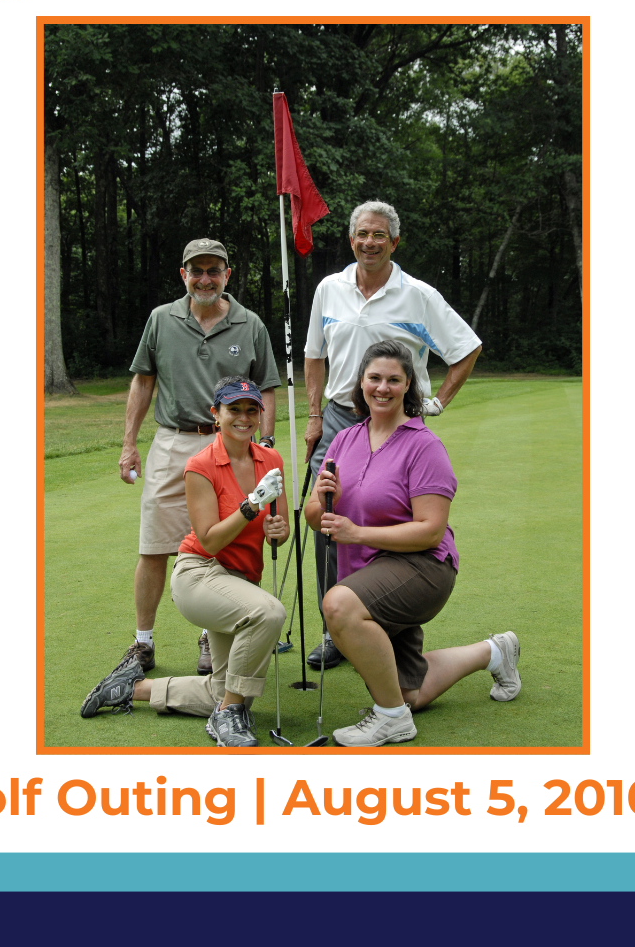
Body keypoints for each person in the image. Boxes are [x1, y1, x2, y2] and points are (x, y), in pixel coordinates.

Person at [303, 339, 521, 746]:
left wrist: (358, 533)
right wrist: (320, 496)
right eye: (374, 378)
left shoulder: (424, 446)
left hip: (422, 567)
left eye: (393, 380)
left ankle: (391, 720)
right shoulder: (346, 439)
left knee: (337, 604)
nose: (382, 388)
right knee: (408, 692)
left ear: (408, 386)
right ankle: (494, 652)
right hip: (369, 573)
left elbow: (430, 530)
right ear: (361, 383)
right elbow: (318, 519)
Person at [303, 201, 483, 669]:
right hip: (340, 419)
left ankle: (382, 617)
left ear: (394, 242)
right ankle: (336, 628)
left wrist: (435, 400)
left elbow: (466, 347)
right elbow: (314, 355)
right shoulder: (329, 288)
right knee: (324, 519)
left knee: (391, 515)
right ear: (351, 239)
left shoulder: (418, 294)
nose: (370, 242)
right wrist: (313, 414)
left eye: (380, 235)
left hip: (398, 420)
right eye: (363, 234)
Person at [81, 377, 290, 746]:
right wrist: (251, 506)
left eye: (251, 410)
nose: (243, 417)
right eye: (233, 409)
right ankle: (226, 717)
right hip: (199, 574)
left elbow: (280, 527)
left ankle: (132, 688)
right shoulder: (200, 465)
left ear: (259, 415)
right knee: (269, 614)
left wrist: (276, 528)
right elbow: (209, 539)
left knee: (225, 689)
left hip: (240, 583)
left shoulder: (270, 459)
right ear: (216, 414)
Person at [116, 238, 282, 678]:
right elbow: (142, 382)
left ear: (228, 275)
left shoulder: (250, 324)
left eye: (214, 270)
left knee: (224, 543)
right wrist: (129, 443)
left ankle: (212, 633)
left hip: (231, 444)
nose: (205, 278)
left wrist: (264, 442)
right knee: (153, 545)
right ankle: (143, 642)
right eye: (197, 270)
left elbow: (265, 386)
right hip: (173, 440)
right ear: (183, 275)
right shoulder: (160, 319)